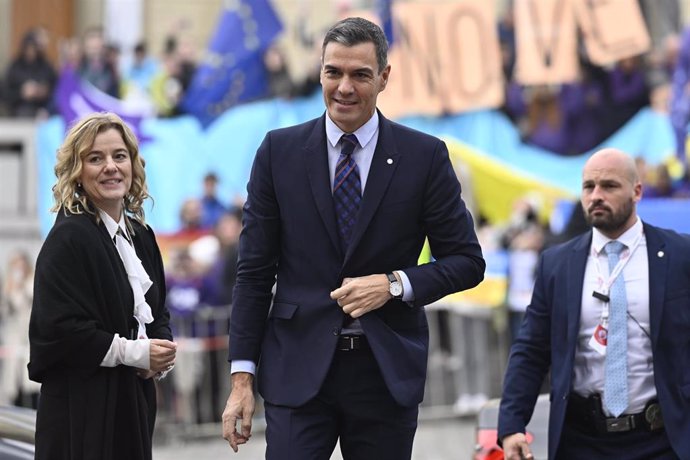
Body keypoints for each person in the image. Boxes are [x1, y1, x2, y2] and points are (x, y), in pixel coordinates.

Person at [221, 17, 485, 459]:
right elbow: (252, 275)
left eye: (360, 74)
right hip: (297, 373)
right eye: (333, 72)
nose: (344, 87)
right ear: (320, 71)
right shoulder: (277, 153)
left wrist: (394, 284)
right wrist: (242, 379)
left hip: (385, 375)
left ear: (384, 77)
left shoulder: (424, 157)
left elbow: (466, 261)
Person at [498, 148, 690, 459]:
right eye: (589, 186)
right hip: (582, 442)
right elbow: (531, 350)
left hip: (662, 439)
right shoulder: (557, 264)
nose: (596, 195)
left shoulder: (680, 254)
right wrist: (511, 425)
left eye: (609, 186)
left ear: (637, 191)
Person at [28, 112, 177, 460]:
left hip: (132, 403)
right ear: (77, 172)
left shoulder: (141, 236)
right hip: (81, 412)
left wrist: (161, 353)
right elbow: (60, 333)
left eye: (119, 156)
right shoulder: (68, 239)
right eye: (96, 158)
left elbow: (157, 311)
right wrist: (135, 353)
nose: (111, 166)